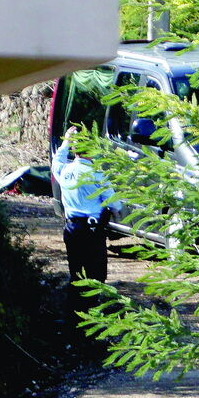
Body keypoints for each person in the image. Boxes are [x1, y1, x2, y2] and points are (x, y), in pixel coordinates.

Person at [51, 126, 122, 313]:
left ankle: (74, 315)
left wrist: (66, 139)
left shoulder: (64, 171)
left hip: (71, 229)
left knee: (76, 274)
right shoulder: (97, 174)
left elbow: (56, 161)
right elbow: (117, 205)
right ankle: (92, 315)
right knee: (96, 275)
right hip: (92, 231)